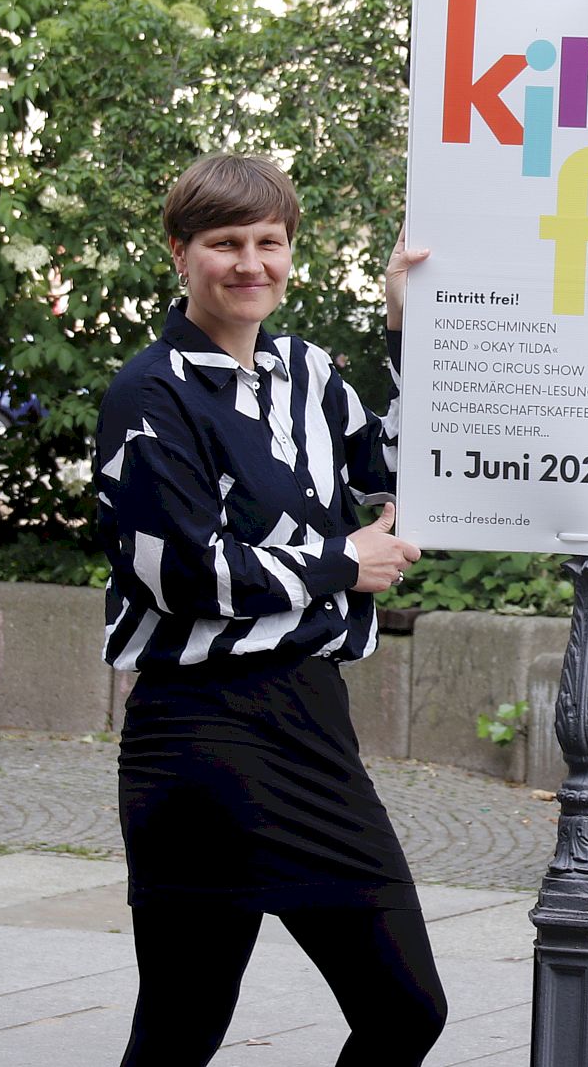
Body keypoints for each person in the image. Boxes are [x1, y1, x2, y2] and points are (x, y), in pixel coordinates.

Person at [94, 153, 444, 1067]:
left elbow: (401, 471)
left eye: (269, 242)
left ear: (291, 251)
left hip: (310, 717)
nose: (250, 263)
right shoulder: (148, 392)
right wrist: (340, 561)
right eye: (223, 244)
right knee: (182, 1023)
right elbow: (178, 574)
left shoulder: (310, 373)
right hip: (199, 733)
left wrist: (404, 325)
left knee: (406, 1008)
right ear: (179, 253)